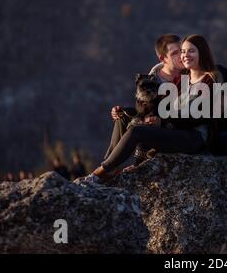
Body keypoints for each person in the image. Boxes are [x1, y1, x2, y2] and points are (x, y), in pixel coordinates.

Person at [79, 34, 215, 184]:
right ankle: (111, 166)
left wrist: (162, 122)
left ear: (201, 53)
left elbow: (197, 116)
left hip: (194, 136)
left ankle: (100, 172)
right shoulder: (171, 79)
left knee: (137, 131)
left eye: (188, 51)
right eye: (180, 52)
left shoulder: (207, 79)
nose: (183, 56)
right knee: (125, 116)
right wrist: (150, 118)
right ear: (163, 59)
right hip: (176, 129)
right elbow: (157, 107)